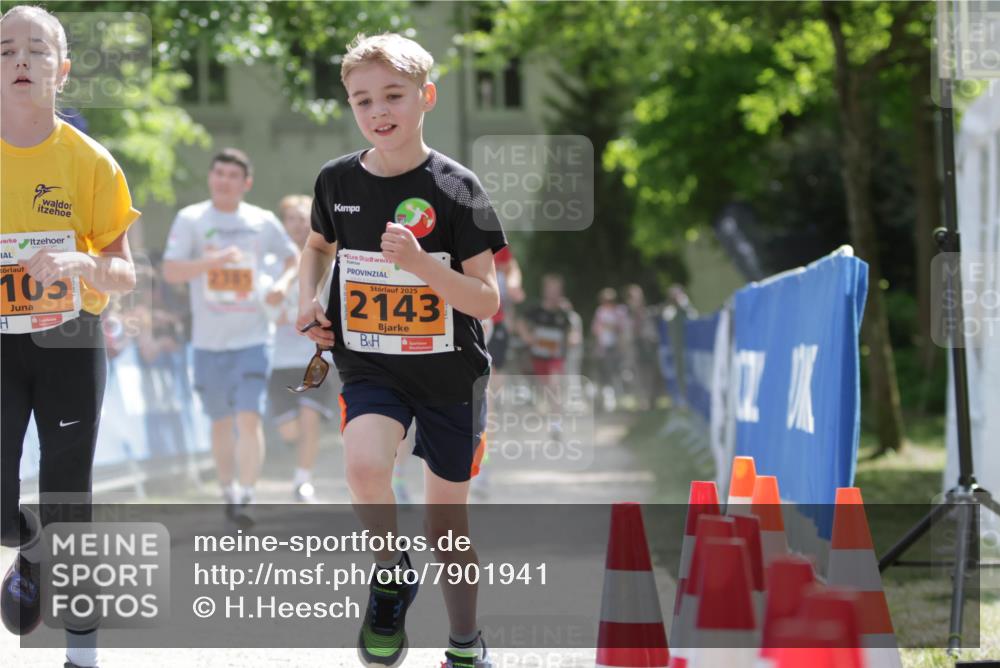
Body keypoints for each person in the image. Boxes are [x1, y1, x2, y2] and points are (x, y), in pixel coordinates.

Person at [295, 33, 505, 668]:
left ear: (426, 97)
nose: (378, 110)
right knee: (362, 465)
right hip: (372, 366)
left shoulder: (457, 187)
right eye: (363, 100)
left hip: (450, 375)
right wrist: (307, 302)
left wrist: (417, 265)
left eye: (393, 95)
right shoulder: (335, 180)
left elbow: (487, 300)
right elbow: (316, 248)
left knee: (447, 528)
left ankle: (466, 644)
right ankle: (390, 575)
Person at [1, 6, 140, 667]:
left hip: (69, 339)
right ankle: (26, 546)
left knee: (68, 493)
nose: (20, 60)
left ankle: (80, 654)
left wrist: (83, 263)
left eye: (35, 49)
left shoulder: (90, 161)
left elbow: (124, 274)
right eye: (5, 50)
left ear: (63, 69)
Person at [162, 148, 298, 524]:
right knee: (221, 422)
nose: (223, 180)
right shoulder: (191, 219)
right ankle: (228, 490)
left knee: (249, 418)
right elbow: (171, 272)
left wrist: (283, 287)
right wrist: (211, 262)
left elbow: (293, 259)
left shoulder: (261, 221)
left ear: (246, 183)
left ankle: (247, 495)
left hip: (253, 337)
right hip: (207, 342)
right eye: (218, 173)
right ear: (210, 178)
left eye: (232, 175)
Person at [265, 194, 338, 502]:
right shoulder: (271, 262)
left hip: (317, 354)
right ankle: (301, 462)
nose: (297, 224)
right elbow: (267, 305)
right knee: (290, 430)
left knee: (309, 417)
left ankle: (302, 480)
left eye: (303, 217)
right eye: (291, 218)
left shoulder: (329, 260)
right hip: (280, 357)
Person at [591, 287, 627, 411]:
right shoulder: (600, 312)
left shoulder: (619, 311)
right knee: (605, 373)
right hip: (604, 348)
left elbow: (621, 328)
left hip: (616, 347)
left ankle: (620, 399)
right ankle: (609, 400)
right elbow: (596, 329)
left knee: (617, 372)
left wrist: (610, 326)